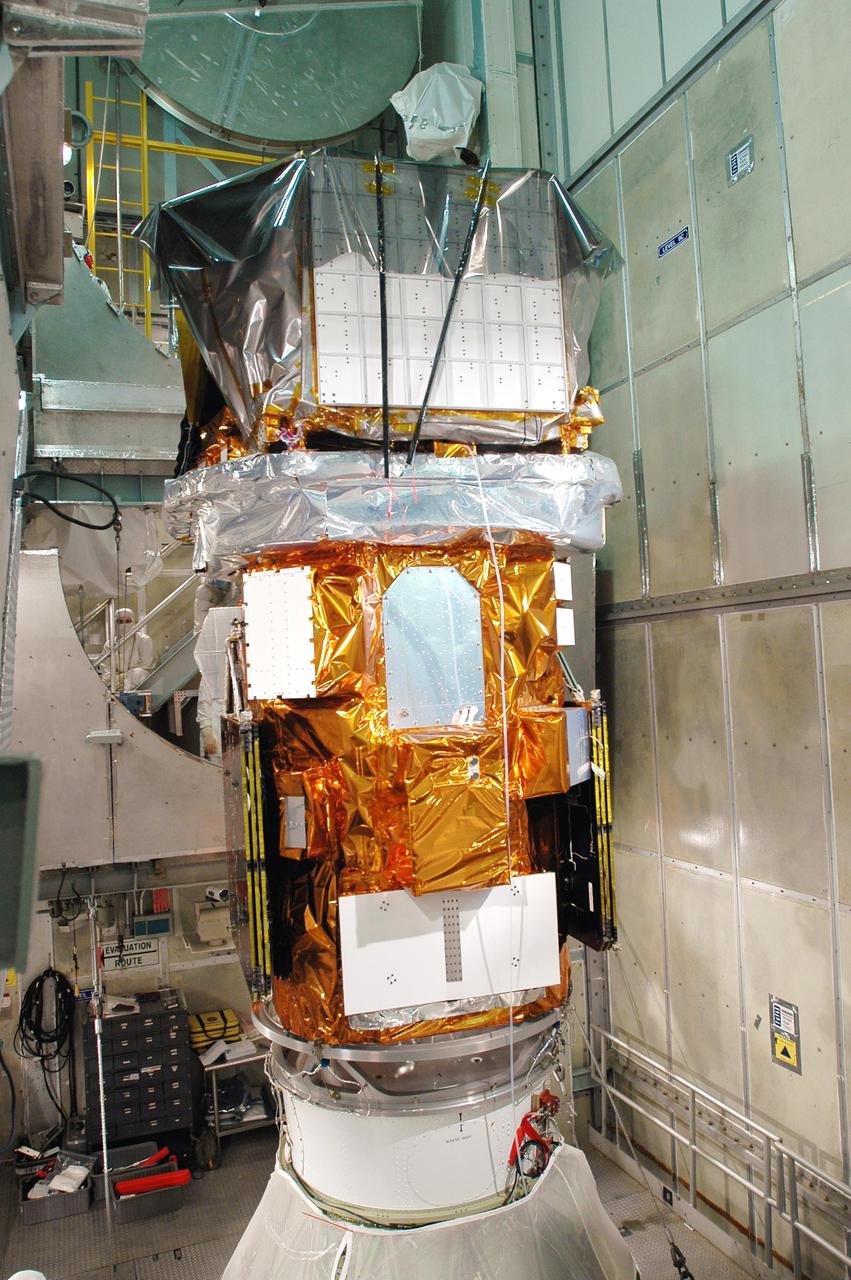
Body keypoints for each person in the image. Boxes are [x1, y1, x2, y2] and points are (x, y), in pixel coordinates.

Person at [114, 606, 155, 691]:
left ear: (133, 622)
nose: (124, 624)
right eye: (120, 621)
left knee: (139, 673)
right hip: (116, 680)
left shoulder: (143, 640)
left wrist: (123, 675)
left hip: (137, 680)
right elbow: (106, 669)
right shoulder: (110, 644)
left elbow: (145, 664)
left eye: (128, 621)